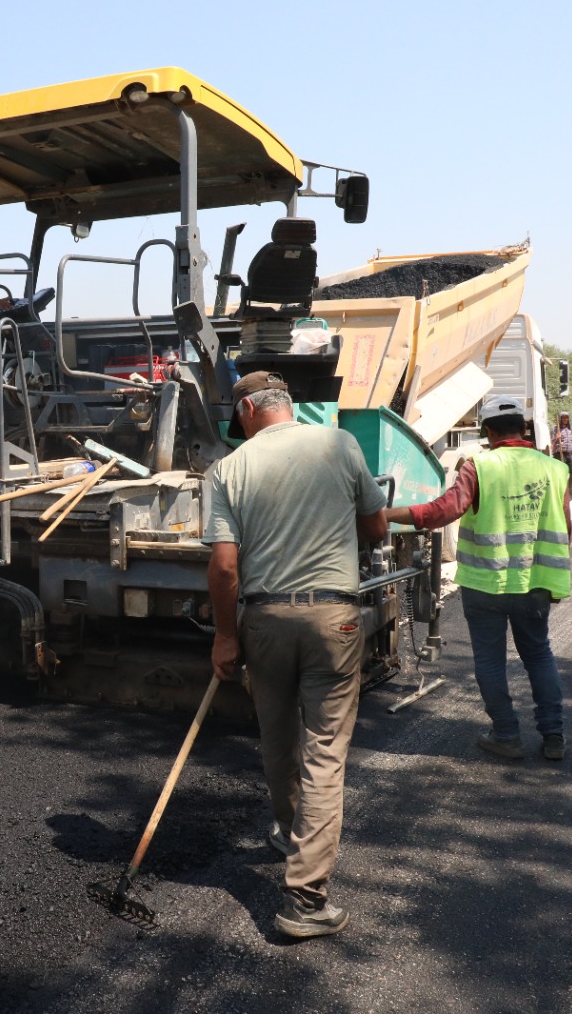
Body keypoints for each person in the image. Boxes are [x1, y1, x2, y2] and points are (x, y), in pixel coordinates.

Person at [204, 371, 389, 940]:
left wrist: (226, 636)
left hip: (263, 620)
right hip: (332, 617)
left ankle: (290, 832)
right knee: (325, 754)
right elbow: (376, 527)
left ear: (248, 410)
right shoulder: (339, 444)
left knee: (277, 740)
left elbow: (226, 566)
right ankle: (305, 899)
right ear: (287, 405)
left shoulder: (227, 469)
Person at [386, 396, 572, 761]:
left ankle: (506, 735)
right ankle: (553, 737)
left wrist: (389, 514)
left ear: (487, 431)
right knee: (538, 655)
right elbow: (565, 526)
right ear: (524, 427)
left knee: (490, 661)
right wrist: (555, 581)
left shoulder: (479, 466)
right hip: (535, 583)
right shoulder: (554, 468)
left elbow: (446, 510)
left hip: (484, 585)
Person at [551, 411, 572, 497]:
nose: (565, 419)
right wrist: (556, 438)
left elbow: (570, 442)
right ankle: (561, 494)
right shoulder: (555, 430)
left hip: (568, 454)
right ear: (560, 419)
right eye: (563, 417)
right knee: (562, 474)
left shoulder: (568, 430)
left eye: (567, 417)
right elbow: (551, 445)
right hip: (559, 454)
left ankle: (570, 491)